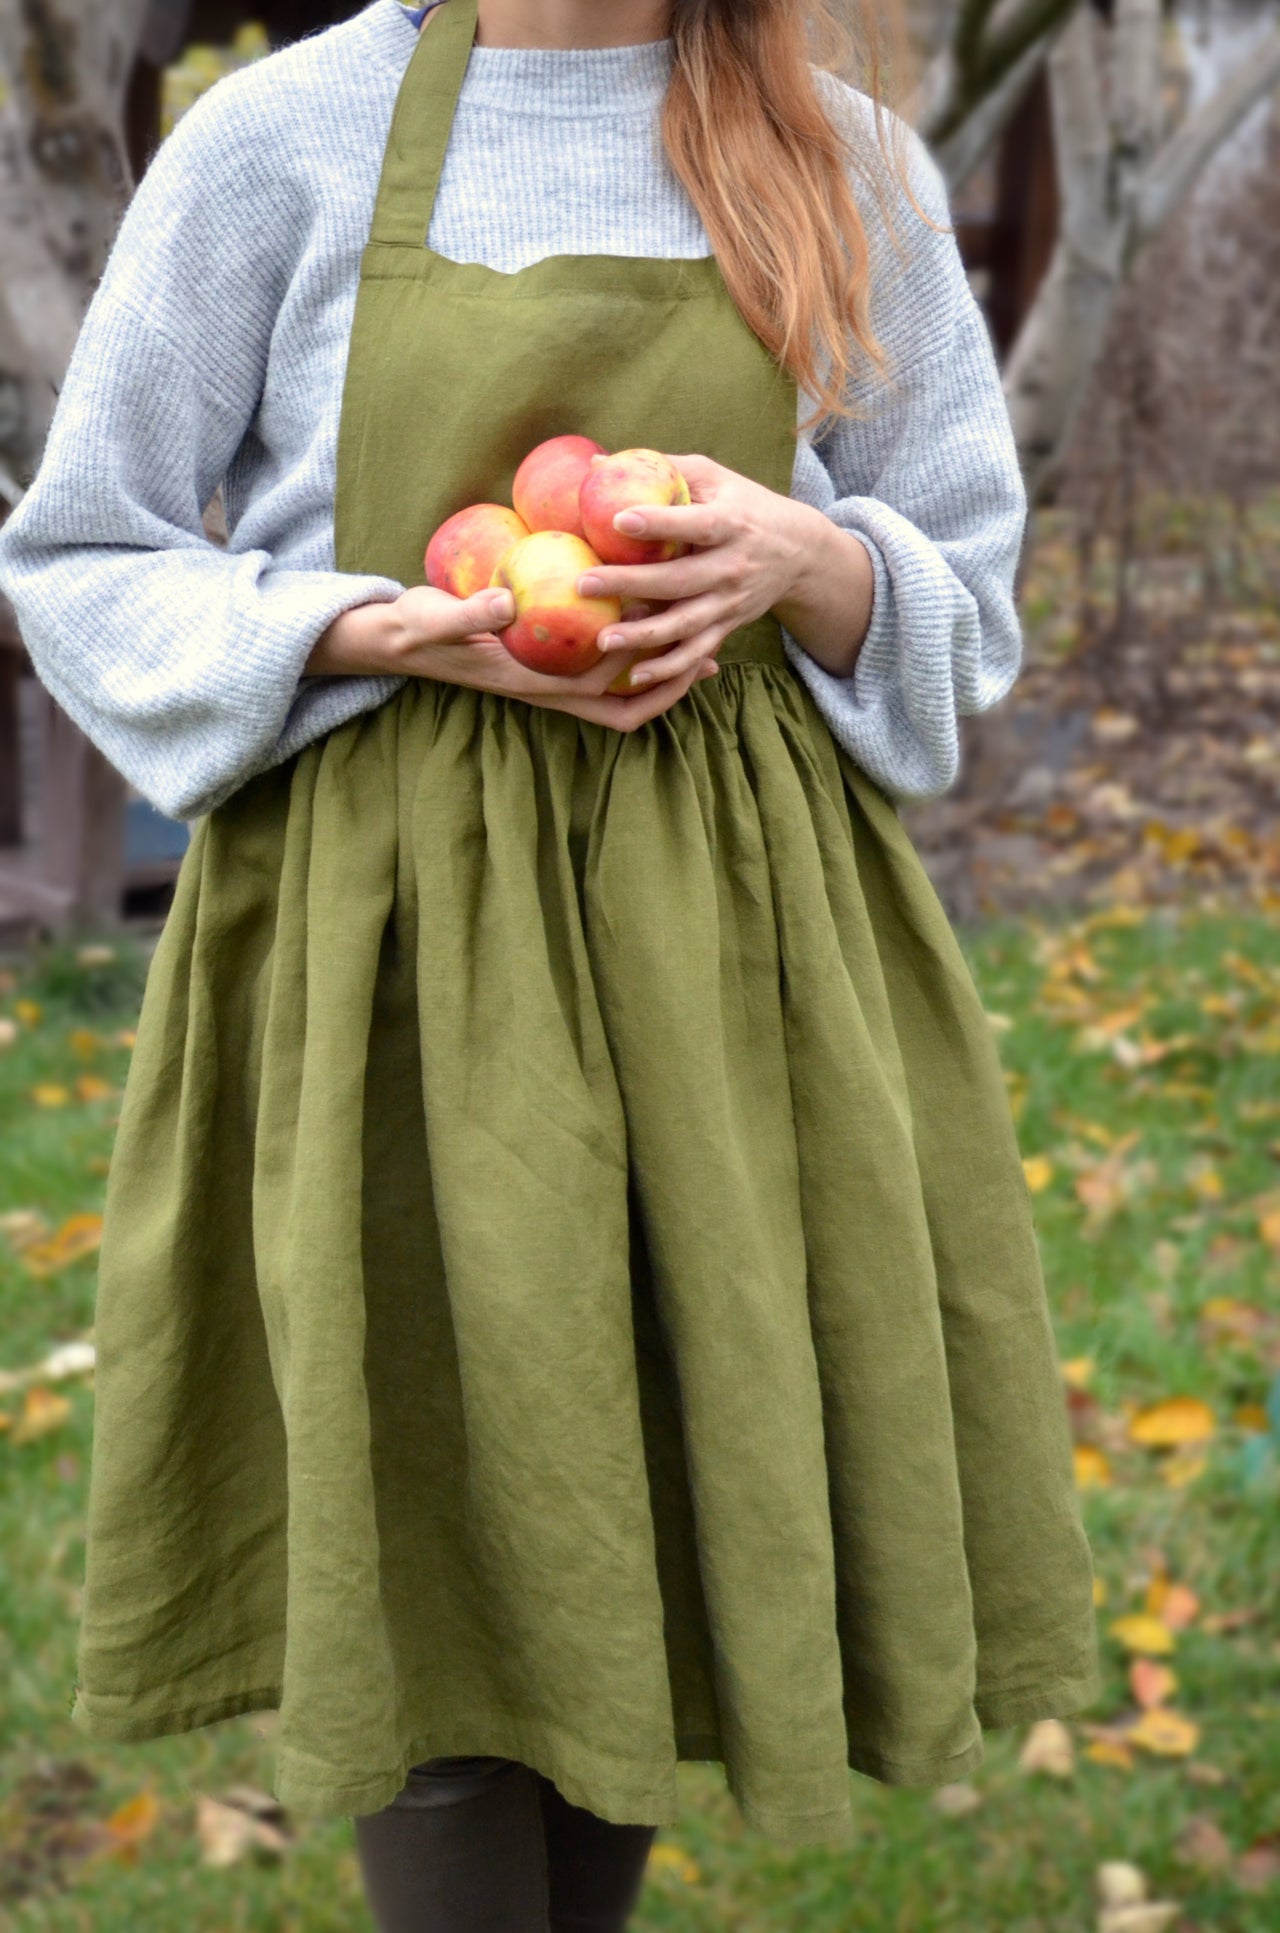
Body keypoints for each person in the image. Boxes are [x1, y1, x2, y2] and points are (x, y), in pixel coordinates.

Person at [0, 0, 1102, 1926]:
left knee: (640, 1502)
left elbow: (964, 586)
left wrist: (805, 561)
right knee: (435, 1488)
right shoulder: (280, 137)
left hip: (729, 968)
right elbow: (80, 553)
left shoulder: (847, 158)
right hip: (389, 956)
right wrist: (365, 628)